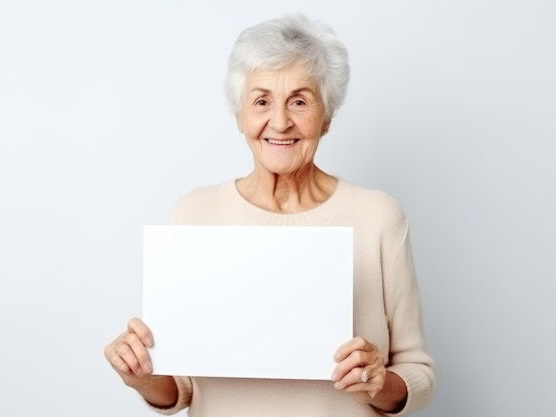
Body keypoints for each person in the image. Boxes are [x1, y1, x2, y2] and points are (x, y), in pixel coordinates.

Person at [104, 14, 436, 416]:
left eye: (299, 101)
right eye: (262, 101)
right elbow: (183, 388)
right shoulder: (194, 214)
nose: (280, 122)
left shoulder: (378, 218)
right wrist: (143, 377)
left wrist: (380, 384)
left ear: (326, 117)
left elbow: (418, 370)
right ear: (239, 116)